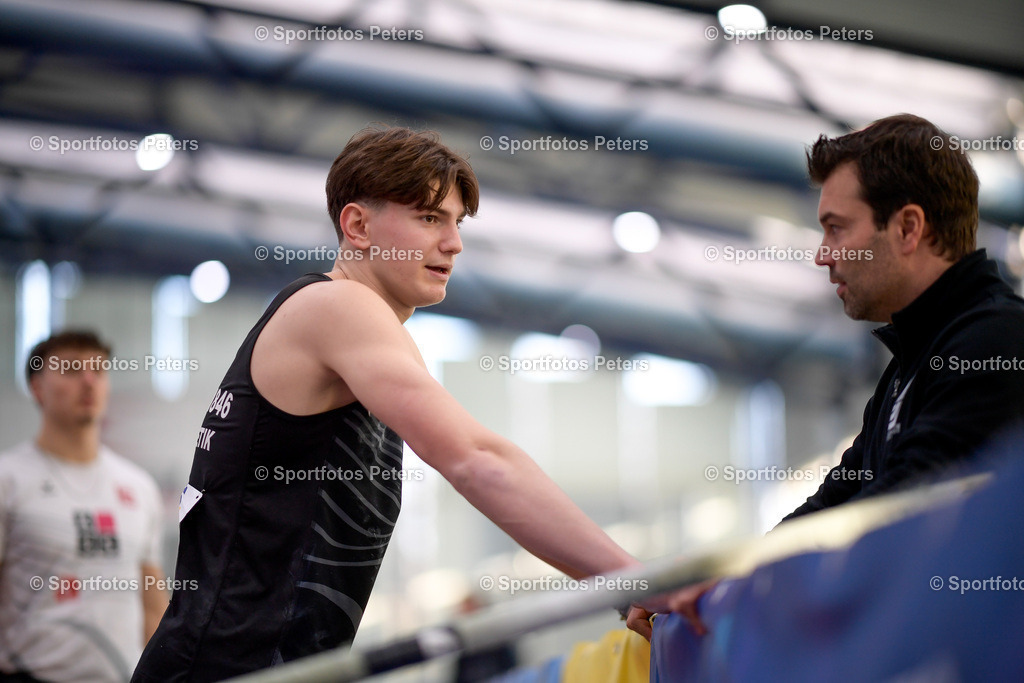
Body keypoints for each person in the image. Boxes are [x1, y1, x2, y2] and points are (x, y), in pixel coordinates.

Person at [132, 126, 640, 682]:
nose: (454, 243)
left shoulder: (361, 334)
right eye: (429, 218)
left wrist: (620, 586)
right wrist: (635, 578)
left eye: (457, 222)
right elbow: (477, 459)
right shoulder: (338, 306)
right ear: (358, 225)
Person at [626, 113, 1024, 639]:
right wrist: (723, 575)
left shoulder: (995, 341)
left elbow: (901, 507)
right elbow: (836, 501)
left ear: (908, 227)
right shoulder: (913, 360)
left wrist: (738, 580)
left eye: (837, 228)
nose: (822, 255)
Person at [0, 331, 168, 683]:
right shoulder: (9, 480)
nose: (89, 381)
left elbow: (153, 606)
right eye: (72, 369)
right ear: (37, 388)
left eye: (98, 370)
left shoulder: (138, 487)